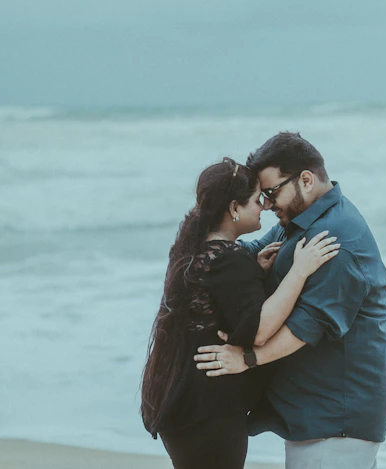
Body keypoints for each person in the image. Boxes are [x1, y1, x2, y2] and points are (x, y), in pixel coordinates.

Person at [194, 133, 386, 469]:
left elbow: (305, 327)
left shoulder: (335, 240)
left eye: (272, 193)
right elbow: (247, 252)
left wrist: (246, 358)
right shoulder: (303, 221)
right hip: (320, 411)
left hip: (336, 417)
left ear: (306, 180)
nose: (267, 205)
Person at [140, 157, 340, 469]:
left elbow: (222, 303)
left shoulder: (196, 251)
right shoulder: (230, 259)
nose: (264, 206)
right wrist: (300, 271)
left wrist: (253, 274)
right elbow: (259, 329)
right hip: (209, 413)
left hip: (182, 405)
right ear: (234, 208)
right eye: (257, 200)